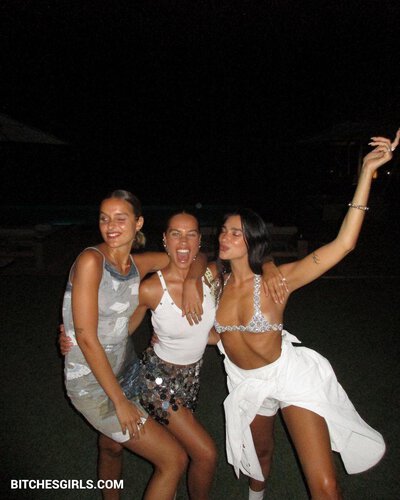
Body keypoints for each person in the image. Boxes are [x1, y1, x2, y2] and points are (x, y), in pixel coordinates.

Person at [208, 131, 399, 500]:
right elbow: (217, 332)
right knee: (260, 457)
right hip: (246, 383)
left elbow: (343, 244)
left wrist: (365, 174)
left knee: (324, 486)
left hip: (289, 376)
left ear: (252, 240)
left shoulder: (278, 280)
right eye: (224, 231)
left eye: (235, 233)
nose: (224, 237)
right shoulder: (214, 280)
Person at [61, 206, 285, 499]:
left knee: (111, 444)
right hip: (158, 382)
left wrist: (268, 265)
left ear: (200, 241)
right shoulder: (150, 289)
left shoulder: (211, 275)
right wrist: (73, 335)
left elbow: (249, 254)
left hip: (190, 381)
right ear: (164, 240)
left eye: (191, 235)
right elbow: (117, 327)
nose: (183, 242)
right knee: (203, 454)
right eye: (176, 234)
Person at [62, 190, 210, 500]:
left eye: (120, 218)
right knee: (173, 459)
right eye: (105, 218)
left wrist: (193, 281)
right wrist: (119, 402)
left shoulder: (136, 264)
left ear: (138, 223)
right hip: (93, 383)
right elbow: (87, 338)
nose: (111, 226)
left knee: (111, 446)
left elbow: (190, 256)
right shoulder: (91, 261)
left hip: (126, 370)